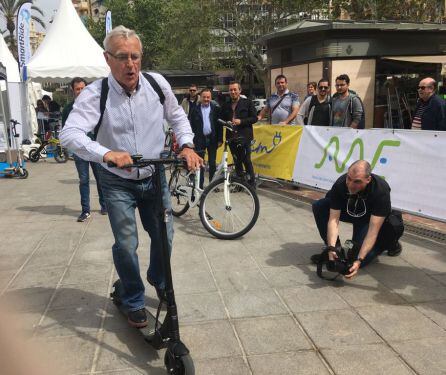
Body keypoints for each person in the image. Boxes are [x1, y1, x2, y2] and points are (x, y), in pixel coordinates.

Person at [60, 26, 202, 328]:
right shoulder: (95, 94)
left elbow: (177, 116)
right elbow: (69, 134)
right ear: (107, 59)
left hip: (153, 175)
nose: (130, 64)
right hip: (116, 180)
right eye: (122, 57)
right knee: (126, 243)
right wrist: (106, 154)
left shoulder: (156, 83)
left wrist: (187, 144)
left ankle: (158, 278)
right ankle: (133, 298)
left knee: (165, 235)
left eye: (135, 56)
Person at [310, 160, 403, 279]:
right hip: (350, 211)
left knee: (356, 261)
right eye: (349, 179)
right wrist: (332, 248)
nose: (350, 185)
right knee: (320, 206)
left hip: (367, 220)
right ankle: (336, 253)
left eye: (357, 182)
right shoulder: (341, 184)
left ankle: (390, 244)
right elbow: (333, 220)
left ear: (368, 179)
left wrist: (359, 260)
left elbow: (373, 231)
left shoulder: (380, 190)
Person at [61, 77, 107, 222]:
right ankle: (85, 210)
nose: (81, 91)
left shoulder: (95, 105)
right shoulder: (69, 109)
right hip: (80, 151)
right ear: (73, 90)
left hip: (95, 148)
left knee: (100, 178)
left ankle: (104, 205)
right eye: (77, 89)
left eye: (83, 88)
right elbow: (66, 130)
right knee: (84, 180)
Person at [221, 81, 257, 186]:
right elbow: (222, 118)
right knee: (237, 161)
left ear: (240, 91)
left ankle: (252, 184)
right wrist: (226, 122)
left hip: (244, 137)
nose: (233, 92)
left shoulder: (248, 102)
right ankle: (240, 184)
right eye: (231, 90)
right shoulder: (226, 105)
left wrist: (241, 121)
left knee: (246, 160)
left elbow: (254, 118)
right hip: (231, 137)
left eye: (235, 89)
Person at [189, 88, 222, 188]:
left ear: (211, 97)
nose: (206, 99)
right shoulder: (195, 109)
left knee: (212, 163)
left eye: (208, 97)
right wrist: (191, 140)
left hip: (212, 139)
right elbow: (191, 125)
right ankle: (200, 185)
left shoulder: (216, 108)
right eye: (204, 97)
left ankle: (212, 184)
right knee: (200, 163)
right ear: (201, 97)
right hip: (200, 140)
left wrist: (220, 139)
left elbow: (219, 125)